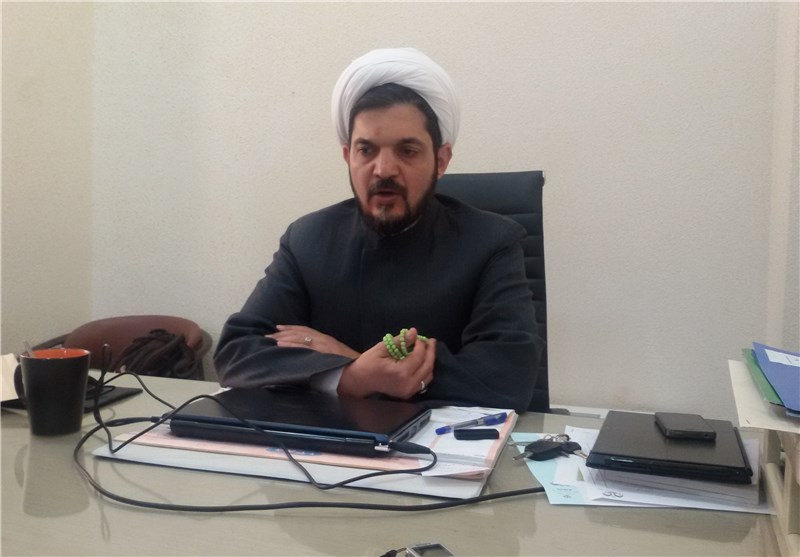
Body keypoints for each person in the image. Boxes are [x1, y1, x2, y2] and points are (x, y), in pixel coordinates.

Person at [214, 47, 543, 412]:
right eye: (366, 150)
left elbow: (508, 379)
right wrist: (351, 376)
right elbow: (236, 353)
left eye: (407, 151)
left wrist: (356, 363)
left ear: (441, 160)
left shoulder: (492, 242)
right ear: (347, 156)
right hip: (330, 440)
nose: (384, 169)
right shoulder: (307, 239)